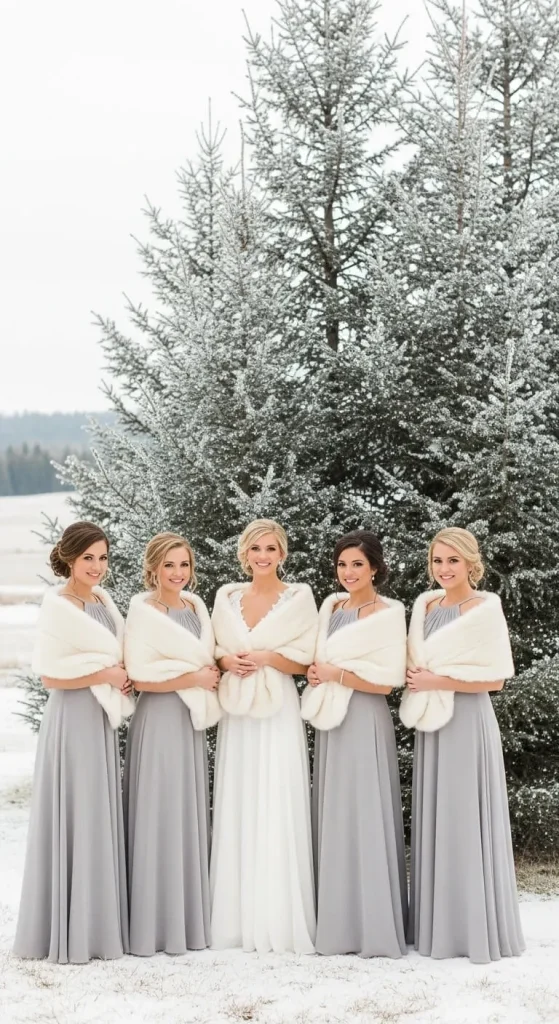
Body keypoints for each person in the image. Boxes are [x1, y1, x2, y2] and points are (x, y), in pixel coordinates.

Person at [402, 527, 525, 962]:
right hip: (430, 723)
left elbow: (496, 680)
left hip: (467, 720)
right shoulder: (425, 606)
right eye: (437, 560)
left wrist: (436, 681)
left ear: (472, 563)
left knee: (465, 816)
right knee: (438, 815)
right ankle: (439, 927)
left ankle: (472, 928)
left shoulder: (484, 609)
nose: (444, 568)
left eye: (453, 560)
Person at [13, 521, 132, 963]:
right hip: (73, 716)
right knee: (77, 812)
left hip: (100, 717)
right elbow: (50, 676)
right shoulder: (58, 605)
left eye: (102, 558)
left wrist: (121, 677)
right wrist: (106, 674)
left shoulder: (103, 601)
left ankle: (97, 925)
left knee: (96, 813)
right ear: (69, 558)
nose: (97, 566)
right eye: (88, 558)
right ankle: (69, 928)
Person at [209, 519, 318, 953]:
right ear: (244, 553)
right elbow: (214, 648)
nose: (263, 556)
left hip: (277, 708)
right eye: (256, 548)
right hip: (237, 711)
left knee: (276, 793)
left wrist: (266, 657)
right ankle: (235, 919)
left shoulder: (299, 598)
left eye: (271, 548)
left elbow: (306, 660)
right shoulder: (226, 598)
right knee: (240, 795)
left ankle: (277, 916)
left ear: (282, 553)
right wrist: (226, 662)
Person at [303, 530, 408, 957]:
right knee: (337, 810)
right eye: (342, 565)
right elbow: (317, 660)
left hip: (364, 716)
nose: (348, 572)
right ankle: (338, 921)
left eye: (357, 565)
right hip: (331, 719)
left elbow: (387, 682)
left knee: (366, 810)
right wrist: (315, 673)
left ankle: (373, 923)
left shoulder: (387, 613)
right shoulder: (331, 608)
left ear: (375, 568)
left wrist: (336, 674)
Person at [123, 532, 219, 956]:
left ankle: (186, 919)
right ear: (154, 569)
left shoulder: (196, 608)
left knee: (184, 811)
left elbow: (210, 659)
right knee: (156, 812)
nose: (178, 573)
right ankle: (151, 923)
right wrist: (194, 677)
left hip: (190, 720)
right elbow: (140, 676)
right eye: (169, 565)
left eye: (184, 564)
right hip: (159, 716)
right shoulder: (143, 610)